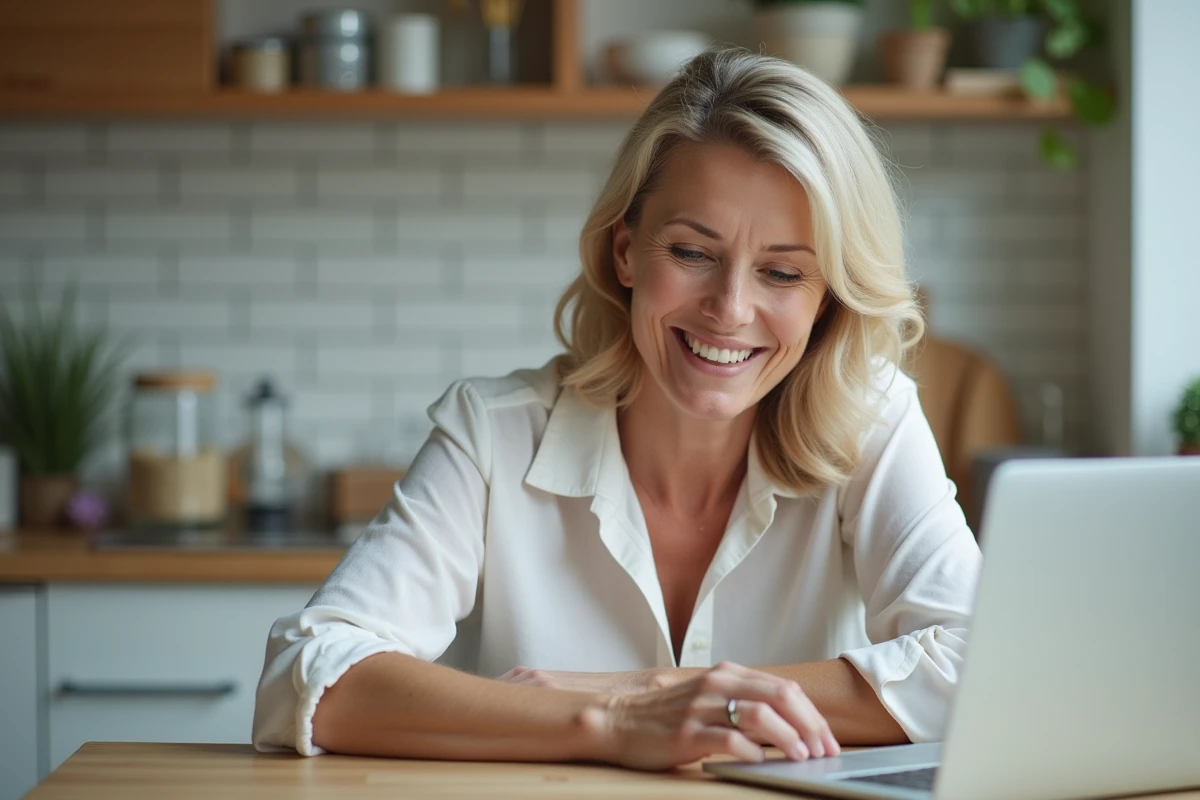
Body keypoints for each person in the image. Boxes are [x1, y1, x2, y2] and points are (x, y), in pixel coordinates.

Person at [252, 48, 981, 771]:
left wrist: (664, 693)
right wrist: (611, 719)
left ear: (829, 297)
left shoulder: (871, 420)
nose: (730, 309)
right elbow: (307, 675)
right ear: (627, 251)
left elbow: (983, 666)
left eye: (783, 272)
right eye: (693, 252)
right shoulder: (495, 434)